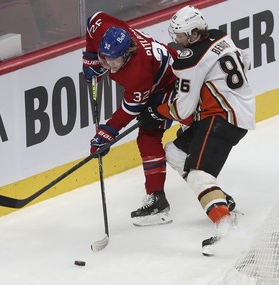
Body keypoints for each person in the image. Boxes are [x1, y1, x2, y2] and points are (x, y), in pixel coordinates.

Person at [138, 5, 255, 254]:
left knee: (199, 174)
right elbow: (245, 59)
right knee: (175, 152)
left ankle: (226, 227)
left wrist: (154, 112)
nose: (176, 40)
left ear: (192, 34)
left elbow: (183, 110)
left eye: (180, 35)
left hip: (223, 118)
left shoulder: (190, 59)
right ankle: (219, 198)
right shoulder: (219, 36)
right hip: (234, 110)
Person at [82, 11, 192, 226]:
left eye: (114, 59)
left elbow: (131, 109)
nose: (109, 64)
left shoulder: (137, 72)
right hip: (159, 81)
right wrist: (91, 57)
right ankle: (157, 198)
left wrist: (106, 133)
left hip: (175, 84)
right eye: (105, 57)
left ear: (128, 53)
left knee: (149, 134)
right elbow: (93, 20)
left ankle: (202, 188)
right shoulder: (102, 29)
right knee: (148, 137)